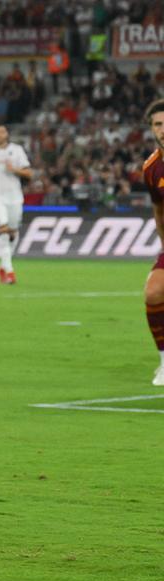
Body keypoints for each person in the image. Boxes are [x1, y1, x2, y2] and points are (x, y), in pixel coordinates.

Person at [0, 125, 32, 284]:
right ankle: (10, 272)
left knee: (13, 233)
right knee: (3, 228)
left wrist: (14, 169)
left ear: (6, 134)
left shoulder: (16, 150)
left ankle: (3, 266)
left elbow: (29, 173)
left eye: (1, 132)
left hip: (14, 196)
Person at [141, 98, 164, 386]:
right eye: (158, 124)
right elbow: (159, 210)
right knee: (153, 293)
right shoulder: (151, 168)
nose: (163, 129)